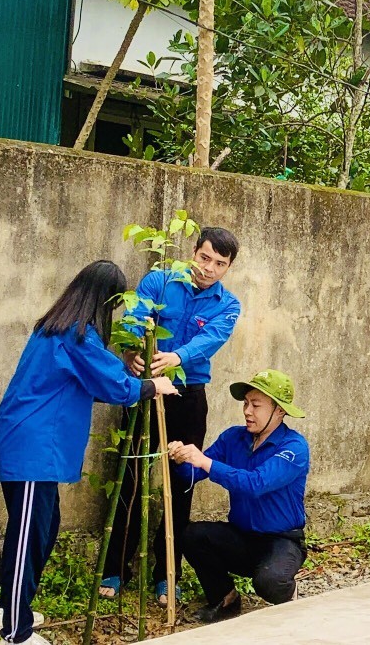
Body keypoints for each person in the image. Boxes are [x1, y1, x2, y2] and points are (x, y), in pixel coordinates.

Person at [0, 261, 177, 645]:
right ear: (106, 301)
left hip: (32, 444)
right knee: (27, 537)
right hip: (31, 448)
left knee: (43, 529)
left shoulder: (58, 327)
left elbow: (94, 380)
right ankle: (14, 631)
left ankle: (12, 610)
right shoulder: (76, 336)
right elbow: (113, 385)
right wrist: (152, 386)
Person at [104, 227, 242, 604]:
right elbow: (135, 317)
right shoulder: (160, 281)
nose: (209, 268)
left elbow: (210, 338)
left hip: (187, 395)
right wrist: (132, 350)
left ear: (228, 268)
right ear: (193, 251)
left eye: (220, 264)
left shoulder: (228, 305)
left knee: (181, 482)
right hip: (143, 390)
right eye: (204, 258)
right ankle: (114, 568)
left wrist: (177, 358)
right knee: (128, 479)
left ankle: (168, 573)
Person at [166, 369, 309, 624]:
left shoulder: (294, 448)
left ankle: (289, 593)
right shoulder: (233, 437)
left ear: (279, 411)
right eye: (245, 404)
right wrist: (181, 458)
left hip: (281, 541)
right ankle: (226, 600)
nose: (247, 411)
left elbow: (256, 483)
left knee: (270, 582)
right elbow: (192, 474)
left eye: (256, 405)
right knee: (192, 535)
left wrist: (205, 462)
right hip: (242, 537)